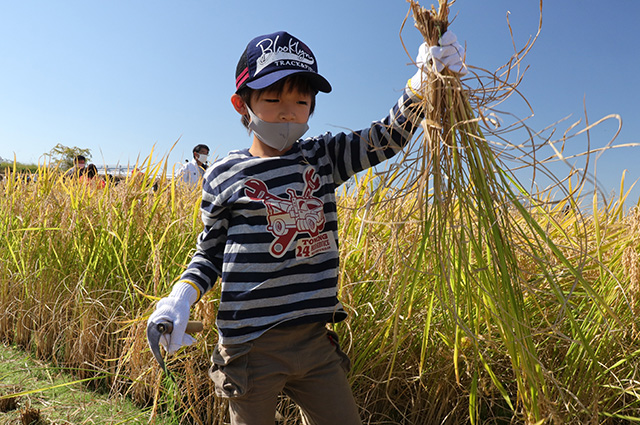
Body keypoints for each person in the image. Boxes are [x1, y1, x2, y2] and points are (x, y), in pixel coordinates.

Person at [148, 30, 467, 424]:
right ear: (241, 104)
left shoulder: (323, 157)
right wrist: (182, 296)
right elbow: (210, 253)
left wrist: (421, 86)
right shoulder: (223, 175)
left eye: (301, 101)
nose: (288, 112)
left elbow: (383, 138)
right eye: (272, 99)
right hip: (249, 346)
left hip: (315, 340)